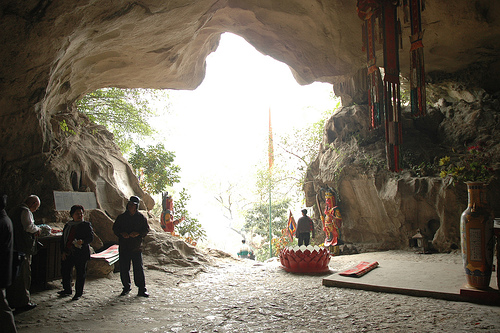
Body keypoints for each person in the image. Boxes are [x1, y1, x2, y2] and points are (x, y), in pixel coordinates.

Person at [6, 195, 41, 312]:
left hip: (12, 246)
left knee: (14, 275)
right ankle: (23, 302)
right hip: (22, 247)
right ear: (34, 204)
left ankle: (11, 300)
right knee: (24, 275)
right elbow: (28, 227)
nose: (35, 210)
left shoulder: (13, 209)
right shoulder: (25, 211)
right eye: (36, 208)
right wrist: (38, 229)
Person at [113, 196, 150, 297]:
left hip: (136, 246)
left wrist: (138, 233)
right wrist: (122, 233)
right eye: (129, 204)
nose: (131, 206)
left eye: (133, 205)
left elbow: (146, 230)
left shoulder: (141, 218)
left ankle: (141, 289)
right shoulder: (121, 217)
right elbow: (115, 228)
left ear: (136, 206)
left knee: (138, 268)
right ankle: (126, 287)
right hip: (124, 246)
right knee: (124, 268)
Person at [58, 205, 94, 301]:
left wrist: (82, 241)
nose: (80, 215)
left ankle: (78, 293)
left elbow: (90, 238)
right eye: (77, 213)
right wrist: (63, 251)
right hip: (69, 252)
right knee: (66, 271)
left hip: (81, 253)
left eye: (81, 213)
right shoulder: (68, 225)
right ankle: (67, 289)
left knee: (80, 273)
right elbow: (64, 240)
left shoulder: (86, 225)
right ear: (72, 215)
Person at [0, 194, 17, 332]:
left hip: (1, 269)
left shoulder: (2, 221)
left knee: (3, 308)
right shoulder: (5, 219)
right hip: (3, 269)